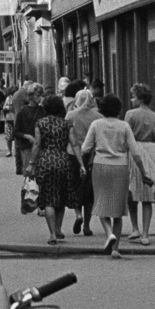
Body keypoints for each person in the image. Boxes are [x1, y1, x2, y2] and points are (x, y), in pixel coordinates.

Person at [81, 95, 143, 257]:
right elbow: (135, 153)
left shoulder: (96, 124)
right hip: (121, 167)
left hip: (100, 165)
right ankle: (115, 249)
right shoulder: (124, 126)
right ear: (118, 109)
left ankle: (109, 234)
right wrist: (143, 172)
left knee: (101, 202)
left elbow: (85, 149)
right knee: (118, 208)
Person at [26, 93, 80, 244]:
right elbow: (74, 144)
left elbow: (37, 144)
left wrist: (31, 163)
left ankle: (52, 235)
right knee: (61, 198)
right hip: (63, 161)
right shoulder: (66, 124)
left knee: (48, 199)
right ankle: (58, 228)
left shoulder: (40, 123)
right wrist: (81, 163)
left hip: (45, 162)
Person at [125, 85, 155, 244]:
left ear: (139, 99)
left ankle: (135, 228)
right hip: (152, 151)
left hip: (135, 150)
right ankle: (146, 233)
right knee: (148, 196)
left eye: (133, 97)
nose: (131, 100)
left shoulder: (130, 114)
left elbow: (125, 135)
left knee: (131, 192)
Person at [67, 88, 98, 236]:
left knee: (75, 186)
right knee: (89, 192)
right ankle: (87, 225)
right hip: (91, 156)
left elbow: (66, 134)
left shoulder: (71, 115)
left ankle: (77, 214)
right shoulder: (98, 116)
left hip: (73, 154)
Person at [13, 84, 44, 175]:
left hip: (41, 147)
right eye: (38, 95)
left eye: (42, 95)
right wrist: (27, 136)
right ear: (30, 96)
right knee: (30, 175)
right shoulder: (22, 111)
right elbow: (16, 131)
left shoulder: (43, 110)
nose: (40, 98)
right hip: (27, 147)